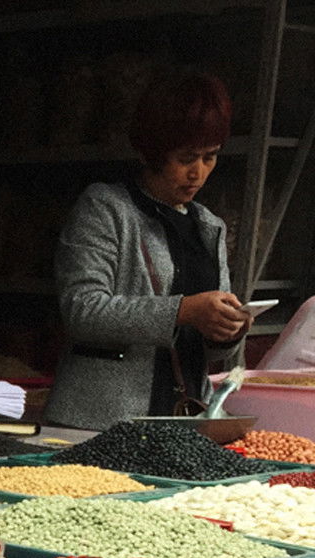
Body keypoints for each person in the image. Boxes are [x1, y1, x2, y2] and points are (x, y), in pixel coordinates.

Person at [45, 72, 253, 430]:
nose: (198, 173)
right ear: (151, 152)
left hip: (185, 416)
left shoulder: (208, 226)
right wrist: (183, 310)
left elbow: (210, 350)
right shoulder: (106, 208)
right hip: (101, 419)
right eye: (186, 158)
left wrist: (228, 329)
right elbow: (82, 310)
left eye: (210, 158)